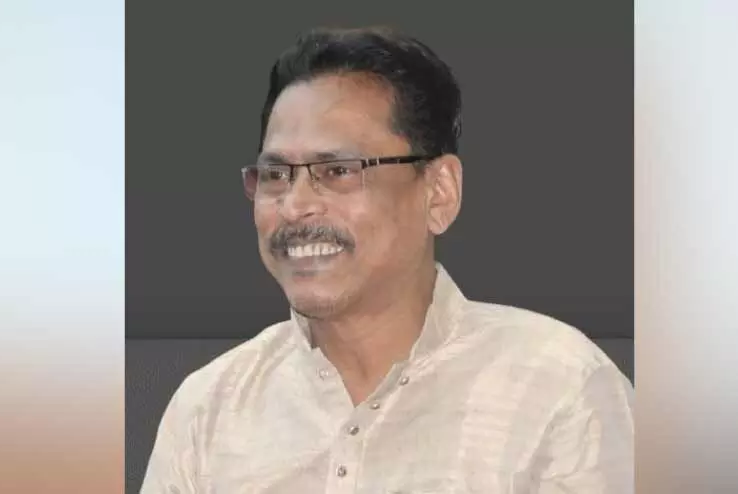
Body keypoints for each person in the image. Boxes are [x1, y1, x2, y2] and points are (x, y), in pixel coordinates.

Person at [141, 26, 634, 494]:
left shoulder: (558, 389)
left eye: (338, 170)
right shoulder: (210, 409)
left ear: (439, 193)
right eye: (275, 175)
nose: (294, 206)